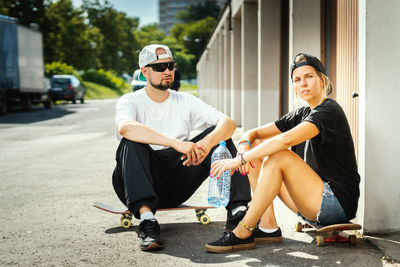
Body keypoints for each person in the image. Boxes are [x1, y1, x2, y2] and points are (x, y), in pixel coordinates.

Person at [205, 53, 360, 253]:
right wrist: (244, 146)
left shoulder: (328, 111)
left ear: (322, 80)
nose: (303, 83)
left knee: (279, 155)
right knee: (256, 146)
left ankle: (243, 230)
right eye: (297, 79)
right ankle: (268, 227)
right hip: (313, 200)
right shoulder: (303, 113)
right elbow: (254, 133)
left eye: (309, 77)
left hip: (336, 204)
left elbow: (284, 140)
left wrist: (239, 160)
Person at [112, 44, 251, 251]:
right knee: (132, 142)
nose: (167, 71)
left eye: (170, 65)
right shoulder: (130, 101)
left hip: (177, 180)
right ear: (144, 72)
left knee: (220, 137)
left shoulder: (185, 100)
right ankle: (147, 222)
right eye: (159, 67)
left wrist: (205, 143)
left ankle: (239, 211)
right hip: (137, 182)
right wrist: (176, 143)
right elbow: (126, 128)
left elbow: (228, 123)